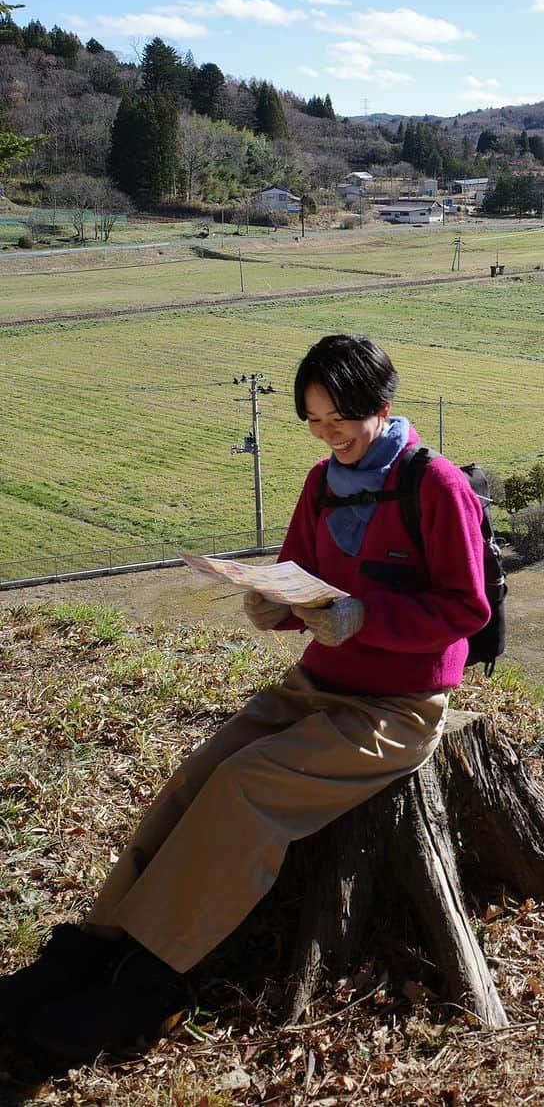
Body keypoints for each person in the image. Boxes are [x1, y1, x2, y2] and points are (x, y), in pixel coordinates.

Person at [0, 334, 490, 1059]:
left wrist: (365, 617)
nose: (329, 437)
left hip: (398, 708)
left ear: (381, 408)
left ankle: (151, 979)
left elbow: (465, 610)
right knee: (197, 774)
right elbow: (299, 576)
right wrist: (276, 606)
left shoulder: (435, 485)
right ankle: (94, 944)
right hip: (318, 684)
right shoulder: (323, 483)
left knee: (245, 790)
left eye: (340, 421)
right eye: (315, 423)